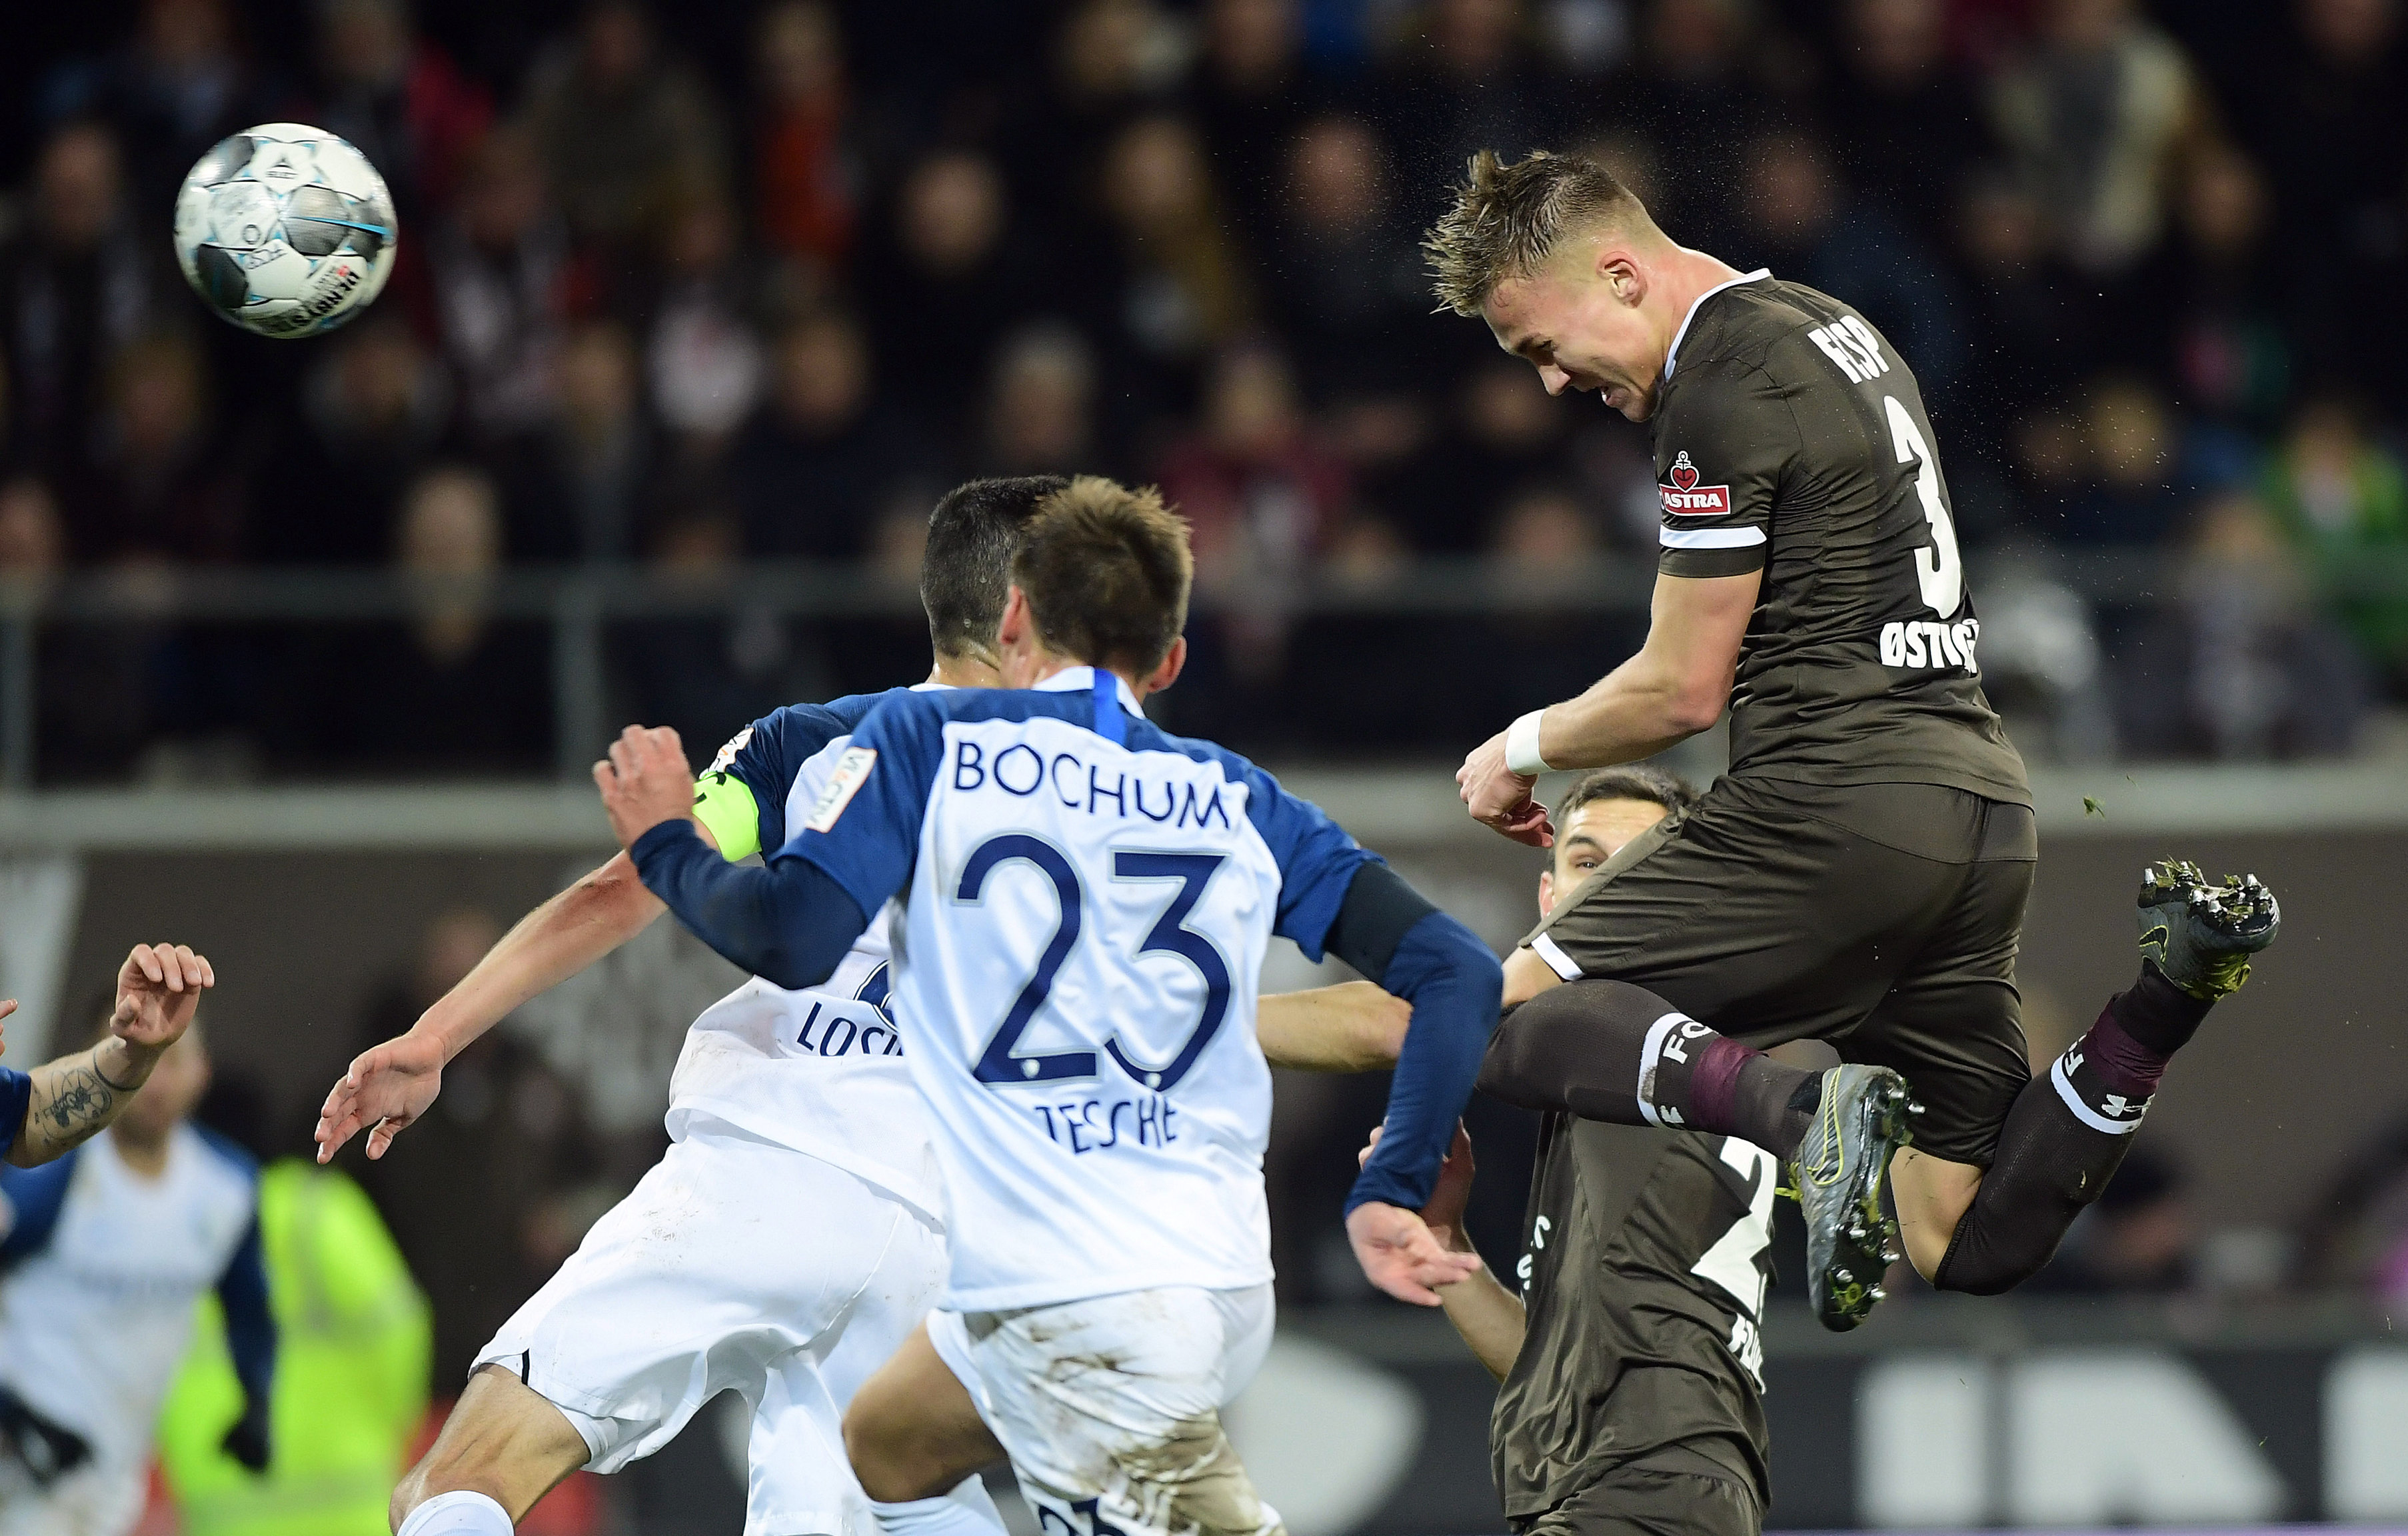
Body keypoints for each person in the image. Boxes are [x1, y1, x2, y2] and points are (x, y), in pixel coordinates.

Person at [319, 476, 1418, 1536]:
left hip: (772, 1161)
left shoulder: (818, 742)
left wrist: (434, 1034)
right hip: (959, 1236)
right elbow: (1279, 1020)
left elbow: (630, 887)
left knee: (462, 1477)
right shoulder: (1141, 794)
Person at [1430, 149, 2280, 1328]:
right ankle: (2157, 1008)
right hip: (1977, 807)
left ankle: (1798, 1114)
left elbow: (1679, 688)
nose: (1549, 384)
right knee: (1956, 1232)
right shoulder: (1831, 324)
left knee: (1492, 1017)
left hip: (1833, 802)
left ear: (1618, 275)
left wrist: (1520, 746)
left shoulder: (1720, 381)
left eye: (1538, 346)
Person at [601, 477, 1502, 1536]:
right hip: (1211, 1273)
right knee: (884, 1447)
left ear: (1013, 615)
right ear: (1167, 661)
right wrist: (1389, 1185)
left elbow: (791, 936)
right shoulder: (1237, 796)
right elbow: (1458, 972)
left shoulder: (924, 747)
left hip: (1066, 1283)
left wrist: (666, 839)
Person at [1375, 765, 1777, 1536]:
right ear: (1548, 897)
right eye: (1590, 863)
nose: (1611, 888)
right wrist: (1444, 1243)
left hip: (1648, 1482)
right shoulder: (1627, 1070)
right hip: (1634, 1487)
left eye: (1642, 867)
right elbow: (1552, 1363)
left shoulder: (1634, 1045)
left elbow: (1418, 1017)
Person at [0, 999, 273, 1536]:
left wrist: (257, 1397)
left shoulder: (228, 1187)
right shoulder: (49, 1169)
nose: (154, 1081)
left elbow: (249, 1306)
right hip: (16, 1458)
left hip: (111, 1473)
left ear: (203, 1070)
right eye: (135, 1059)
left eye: (171, 1060)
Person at [0, 943, 216, 1169]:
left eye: (173, 1061)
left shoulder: (232, 1182)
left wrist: (135, 1052)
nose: (157, 1085)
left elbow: (24, 1122)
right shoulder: (49, 1182)